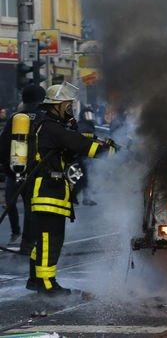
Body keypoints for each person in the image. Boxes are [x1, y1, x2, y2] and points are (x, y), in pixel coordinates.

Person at [24, 82, 115, 295]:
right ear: (57, 106)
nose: (70, 109)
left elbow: (73, 141)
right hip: (47, 191)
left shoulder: (48, 125)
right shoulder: (51, 127)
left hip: (48, 189)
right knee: (50, 239)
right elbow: (80, 145)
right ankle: (47, 285)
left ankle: (35, 279)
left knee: (44, 239)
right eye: (67, 105)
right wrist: (110, 151)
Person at [0, 85, 46, 247]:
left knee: (10, 202)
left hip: (14, 170)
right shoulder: (44, 118)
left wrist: (7, 167)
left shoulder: (15, 118)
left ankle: (16, 232)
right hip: (34, 172)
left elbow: (3, 146)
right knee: (30, 208)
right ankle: (28, 243)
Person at [73, 105, 97, 206]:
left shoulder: (89, 126)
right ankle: (74, 196)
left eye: (91, 115)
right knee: (84, 178)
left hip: (87, 155)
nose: (89, 117)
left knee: (86, 178)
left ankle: (86, 198)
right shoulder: (82, 126)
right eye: (87, 115)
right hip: (82, 156)